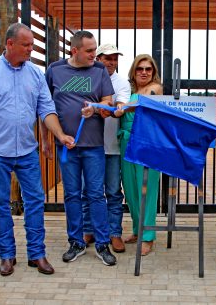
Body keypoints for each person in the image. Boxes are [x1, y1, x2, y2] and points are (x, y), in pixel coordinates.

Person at [0, 23, 75, 276]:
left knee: (36, 201)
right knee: (0, 204)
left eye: (32, 45)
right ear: (10, 44)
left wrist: (59, 134)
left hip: (27, 151)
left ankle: (37, 254)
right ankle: (7, 255)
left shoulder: (36, 75)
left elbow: (46, 110)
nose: (31, 49)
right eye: (26, 45)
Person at [44, 30, 117, 266]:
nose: (94, 55)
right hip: (66, 146)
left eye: (95, 49)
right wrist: (47, 139)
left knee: (96, 194)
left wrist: (95, 108)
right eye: (89, 51)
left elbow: (109, 102)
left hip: (93, 145)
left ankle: (102, 244)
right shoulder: (55, 70)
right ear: (74, 50)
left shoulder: (99, 71)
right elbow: (45, 107)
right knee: (72, 195)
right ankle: (75, 242)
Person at [81, 44, 131, 253]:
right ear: (98, 58)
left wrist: (115, 111)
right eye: (107, 58)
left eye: (114, 59)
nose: (111, 62)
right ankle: (88, 229)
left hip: (112, 147)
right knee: (88, 191)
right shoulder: (86, 77)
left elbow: (121, 104)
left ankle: (114, 233)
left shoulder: (122, 82)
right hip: (89, 144)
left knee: (112, 191)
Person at [117, 54, 163, 256]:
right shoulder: (129, 90)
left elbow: (146, 103)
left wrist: (124, 107)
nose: (144, 72)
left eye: (148, 69)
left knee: (147, 189)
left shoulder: (155, 88)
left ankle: (148, 236)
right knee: (131, 189)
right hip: (126, 141)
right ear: (133, 71)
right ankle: (137, 230)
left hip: (146, 143)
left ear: (153, 72)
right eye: (140, 69)